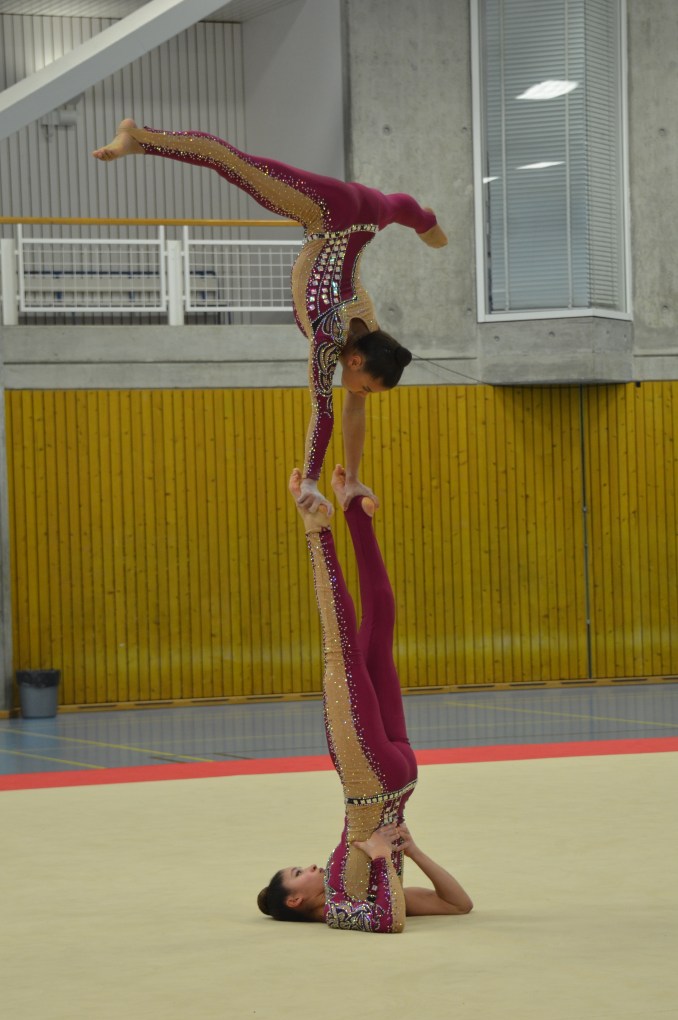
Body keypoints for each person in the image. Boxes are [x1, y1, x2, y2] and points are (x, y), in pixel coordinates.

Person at [92, 121, 448, 514]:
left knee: (398, 207)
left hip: (368, 214)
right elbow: (324, 411)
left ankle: (424, 220)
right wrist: (310, 481)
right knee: (235, 164)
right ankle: (139, 137)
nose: (361, 397)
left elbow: (353, 409)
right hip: (329, 212)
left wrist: (353, 477)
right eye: (366, 389)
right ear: (355, 361)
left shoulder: (373, 338)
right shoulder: (329, 338)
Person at [256, 466, 472, 933]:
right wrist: (391, 855)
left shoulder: (345, 887)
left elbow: (455, 907)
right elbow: (396, 920)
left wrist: (400, 855)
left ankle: (356, 514)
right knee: (340, 647)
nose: (312, 865)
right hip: (368, 774)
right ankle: (317, 530)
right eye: (299, 872)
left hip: (396, 777)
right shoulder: (335, 907)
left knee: (377, 630)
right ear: (295, 900)